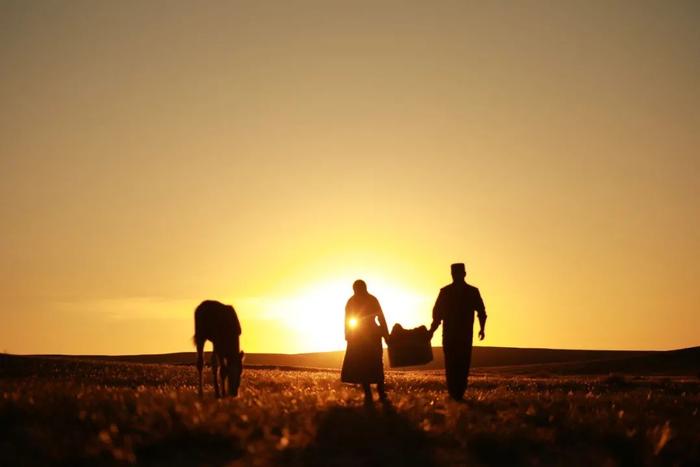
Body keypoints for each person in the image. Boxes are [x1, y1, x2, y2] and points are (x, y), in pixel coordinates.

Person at [428, 263, 487, 401]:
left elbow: (481, 312)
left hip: (459, 336)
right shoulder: (461, 291)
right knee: (456, 365)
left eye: (457, 274)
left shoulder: (451, 292)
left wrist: (482, 328)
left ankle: (457, 394)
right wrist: (432, 330)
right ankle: (456, 394)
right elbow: (437, 315)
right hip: (456, 336)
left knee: (458, 365)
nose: (457, 276)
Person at [341, 279, 390, 404]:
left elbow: (381, 317)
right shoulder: (357, 301)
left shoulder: (365, 300)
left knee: (375, 362)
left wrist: (385, 334)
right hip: (361, 336)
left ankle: (379, 391)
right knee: (365, 363)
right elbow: (347, 320)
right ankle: (371, 392)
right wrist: (348, 334)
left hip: (368, 335)